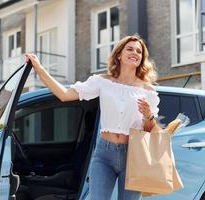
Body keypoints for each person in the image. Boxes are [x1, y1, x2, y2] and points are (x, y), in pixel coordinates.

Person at [25, 35, 160, 200]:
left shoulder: (148, 91)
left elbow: (150, 129)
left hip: (133, 154)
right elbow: (65, 94)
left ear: (142, 59)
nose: (135, 53)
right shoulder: (102, 82)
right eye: (130, 49)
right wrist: (39, 68)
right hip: (104, 153)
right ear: (119, 54)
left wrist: (148, 115)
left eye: (139, 51)